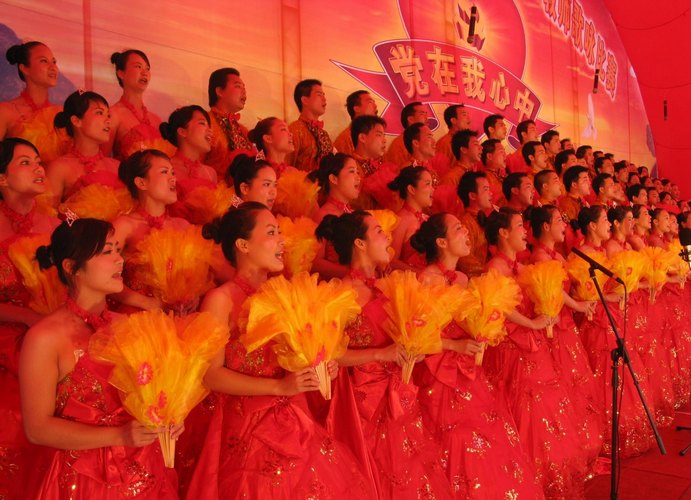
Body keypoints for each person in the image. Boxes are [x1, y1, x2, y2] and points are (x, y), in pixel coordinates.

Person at [187, 202, 373, 498]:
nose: (282, 241)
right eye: (272, 232)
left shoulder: (287, 293)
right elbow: (211, 376)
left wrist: (318, 367)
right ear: (243, 244)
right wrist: (279, 387)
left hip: (295, 420)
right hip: (247, 430)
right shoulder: (220, 300)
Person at [20, 218, 181, 498]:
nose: (119, 260)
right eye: (107, 252)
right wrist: (118, 435)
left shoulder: (128, 326)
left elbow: (153, 395)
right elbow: (37, 428)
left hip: (144, 470)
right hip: (85, 479)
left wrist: (169, 418)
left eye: (117, 250)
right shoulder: (45, 338)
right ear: (72, 266)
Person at [316, 210, 453, 499]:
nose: (388, 237)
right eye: (379, 231)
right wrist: (381, 354)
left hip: (397, 392)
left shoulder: (389, 284)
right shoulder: (342, 292)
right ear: (360, 243)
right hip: (362, 401)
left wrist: (412, 348)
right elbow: (330, 355)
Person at [412, 213, 544, 499]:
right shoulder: (425, 279)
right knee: (454, 438)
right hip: (439, 373)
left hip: (467, 369)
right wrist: (454, 346)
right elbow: (416, 338)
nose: (467, 234)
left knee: (487, 435)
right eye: (459, 229)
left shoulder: (462, 278)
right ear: (441, 242)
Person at [483, 208, 593, 497]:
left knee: (544, 408)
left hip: (532, 345)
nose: (525, 232)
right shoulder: (496, 266)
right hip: (512, 348)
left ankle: (547, 473)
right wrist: (531, 323)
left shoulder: (520, 266)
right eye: (519, 226)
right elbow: (499, 306)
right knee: (523, 408)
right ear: (503, 233)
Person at [0, 138, 60, 499]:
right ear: (2, 178)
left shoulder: (54, 223)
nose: (38, 168)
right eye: (25, 162)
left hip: (50, 337)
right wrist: (25, 316)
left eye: (38, 161)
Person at [573, 206, 654, 458]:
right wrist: (611, 296)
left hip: (612, 316)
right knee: (605, 372)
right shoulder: (584, 254)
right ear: (592, 226)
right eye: (604, 220)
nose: (609, 224)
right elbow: (584, 294)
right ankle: (608, 432)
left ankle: (624, 429)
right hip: (598, 320)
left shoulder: (602, 251)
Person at [112, 150, 188, 312]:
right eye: (164, 172)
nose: (173, 178)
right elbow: (100, 274)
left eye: (173, 172)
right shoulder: (124, 226)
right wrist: (145, 302)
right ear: (141, 183)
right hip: (136, 316)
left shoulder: (183, 226)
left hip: (176, 316)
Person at [48, 91, 121, 205]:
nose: (108, 120)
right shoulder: (59, 168)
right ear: (76, 121)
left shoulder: (117, 167)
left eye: (108, 115)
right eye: (99, 113)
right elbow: (49, 213)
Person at [0, 42, 69, 161]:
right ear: (24, 68)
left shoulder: (62, 113)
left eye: (54, 62)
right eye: (44, 61)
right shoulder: (5, 111)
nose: (53, 67)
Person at [106, 50, 167, 160]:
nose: (144, 73)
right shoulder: (113, 114)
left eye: (147, 68)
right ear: (121, 73)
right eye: (138, 66)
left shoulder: (156, 120)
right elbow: (103, 160)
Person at [310, 153, 361, 279]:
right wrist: (351, 274)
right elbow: (314, 262)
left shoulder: (353, 213)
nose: (358, 177)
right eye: (352, 171)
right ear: (334, 179)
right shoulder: (323, 215)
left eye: (358, 172)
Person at [205, 68, 255, 176]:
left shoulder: (244, 131)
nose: (244, 91)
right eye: (238, 86)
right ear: (219, 91)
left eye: (244, 87)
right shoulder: (204, 122)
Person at [387, 166, 434, 270]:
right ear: (411, 189)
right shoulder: (401, 219)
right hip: (410, 278)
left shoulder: (427, 219)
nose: (433, 189)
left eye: (432, 185)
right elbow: (391, 261)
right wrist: (420, 274)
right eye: (428, 184)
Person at [287, 79, 333, 171]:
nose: (324, 99)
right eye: (319, 95)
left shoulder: (324, 134)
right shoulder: (294, 130)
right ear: (305, 100)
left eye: (324, 95)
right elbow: (286, 166)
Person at [456, 171, 492, 277]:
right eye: (486, 189)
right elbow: (464, 258)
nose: (491, 193)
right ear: (472, 195)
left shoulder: (483, 219)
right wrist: (486, 275)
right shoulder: (464, 222)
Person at [332, 90, 378, 155]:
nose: (375, 106)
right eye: (370, 102)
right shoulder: (345, 140)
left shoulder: (376, 135)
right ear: (356, 109)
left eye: (374, 102)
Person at [383, 102, 427, 168]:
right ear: (410, 119)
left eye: (426, 114)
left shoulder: (426, 142)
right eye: (422, 114)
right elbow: (397, 171)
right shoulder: (399, 144)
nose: (427, 118)